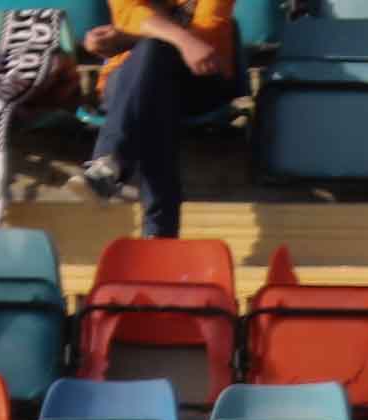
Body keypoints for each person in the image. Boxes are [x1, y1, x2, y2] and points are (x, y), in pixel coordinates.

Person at [73, 0, 243, 240]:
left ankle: (109, 162)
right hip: (128, 82)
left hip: (201, 78)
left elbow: (206, 35)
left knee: (154, 63)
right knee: (153, 84)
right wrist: (177, 38)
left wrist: (136, 38)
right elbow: (132, 12)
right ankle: (159, 236)